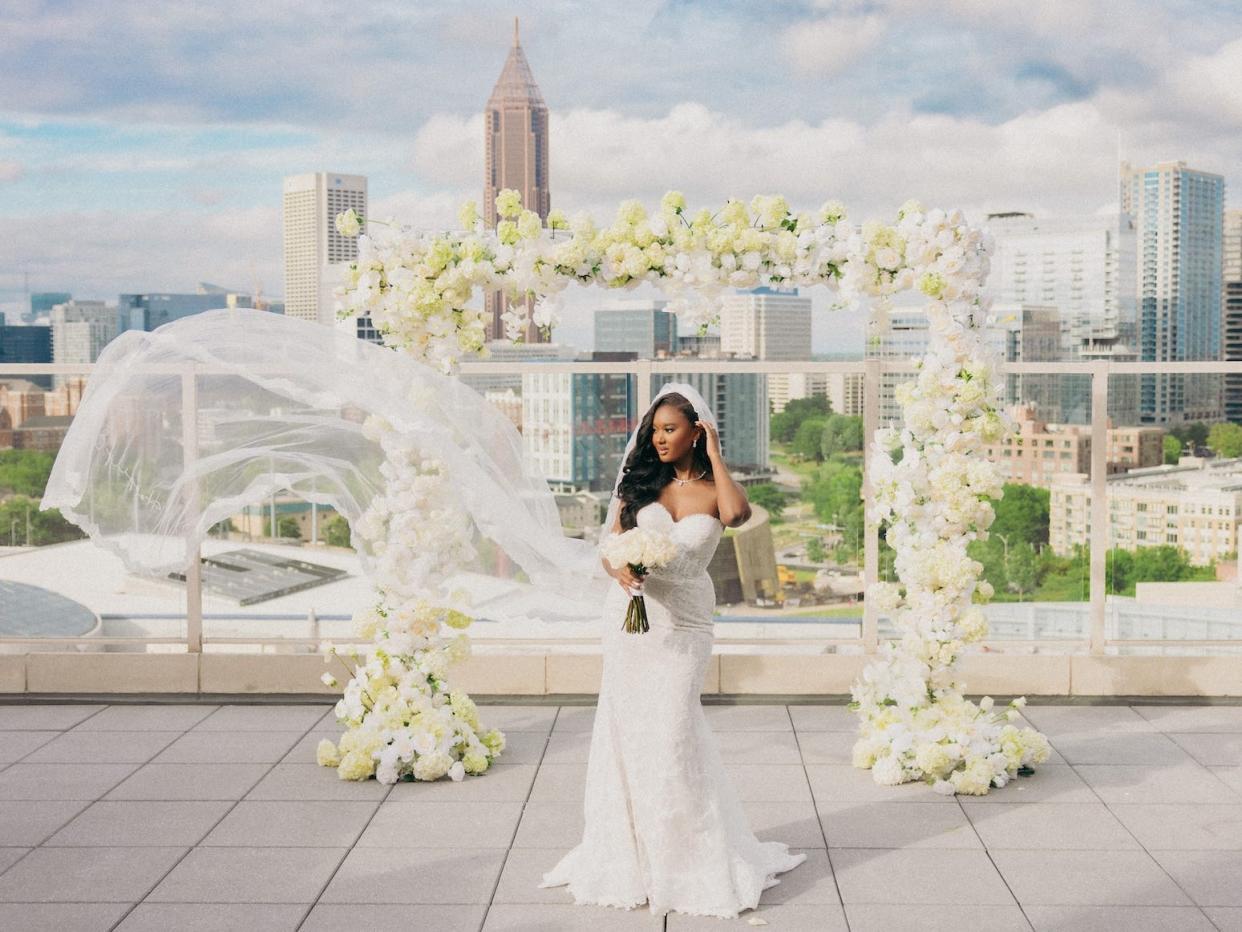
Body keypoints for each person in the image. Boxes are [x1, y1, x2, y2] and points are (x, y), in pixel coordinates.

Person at [539, 383, 807, 919]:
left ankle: (687, 861)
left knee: (673, 732)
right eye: (655, 430)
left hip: (684, 624)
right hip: (631, 622)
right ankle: (634, 856)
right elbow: (608, 549)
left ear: (695, 431)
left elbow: (736, 514)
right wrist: (621, 571)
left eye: (671, 430)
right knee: (628, 734)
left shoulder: (712, 487)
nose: (659, 439)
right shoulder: (641, 483)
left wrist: (715, 456)